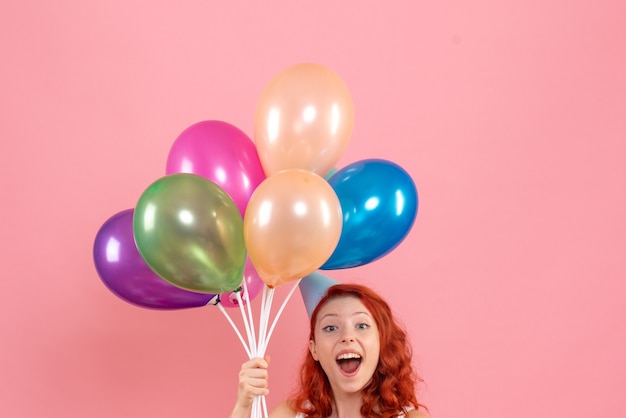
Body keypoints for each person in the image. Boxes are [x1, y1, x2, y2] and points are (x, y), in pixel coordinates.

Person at [229, 281, 428, 418]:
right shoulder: (290, 414)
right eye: (331, 328)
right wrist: (243, 406)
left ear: (380, 342)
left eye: (361, 325)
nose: (347, 337)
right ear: (314, 349)